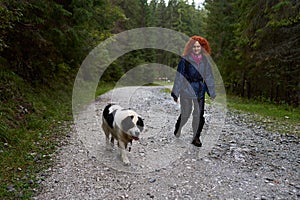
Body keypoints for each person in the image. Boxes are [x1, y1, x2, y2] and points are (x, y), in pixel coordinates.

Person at [171, 35, 216, 147]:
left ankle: (196, 137)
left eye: (199, 47)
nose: (196, 49)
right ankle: (179, 127)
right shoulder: (185, 60)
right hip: (186, 89)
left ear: (202, 48)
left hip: (200, 90)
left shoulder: (205, 61)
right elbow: (179, 76)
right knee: (186, 113)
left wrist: (211, 92)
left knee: (199, 114)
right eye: (194, 46)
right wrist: (175, 92)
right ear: (191, 47)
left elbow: (209, 76)